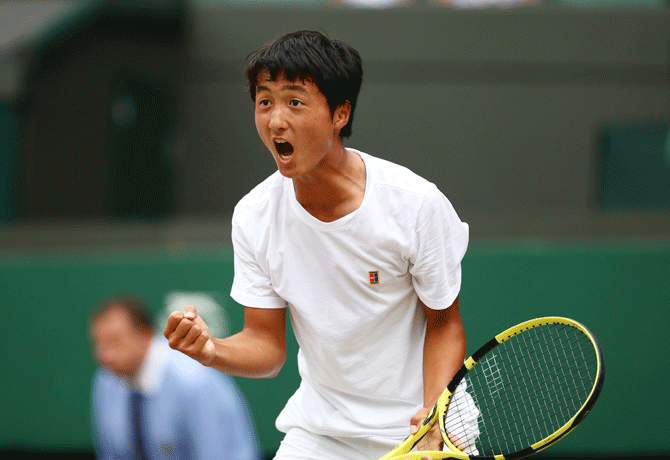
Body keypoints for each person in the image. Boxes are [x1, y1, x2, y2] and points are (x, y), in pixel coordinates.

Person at [164, 30, 476, 460]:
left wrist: (433, 415)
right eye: (264, 101)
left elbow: (444, 324)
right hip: (321, 434)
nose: (275, 120)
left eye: (294, 101)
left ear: (340, 113)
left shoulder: (415, 204)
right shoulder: (254, 216)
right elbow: (267, 346)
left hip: (423, 425)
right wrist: (212, 349)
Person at [89, 295, 261, 460]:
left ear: (144, 336)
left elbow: (217, 454)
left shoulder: (194, 383)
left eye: (115, 342)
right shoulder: (105, 381)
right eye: (99, 343)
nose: (104, 355)